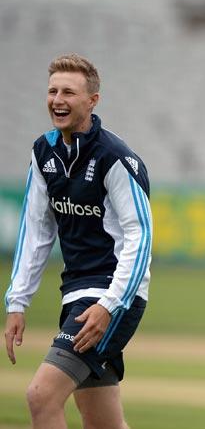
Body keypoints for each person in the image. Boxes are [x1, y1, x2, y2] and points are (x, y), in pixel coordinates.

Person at [3, 53, 152, 429]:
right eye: (52, 91)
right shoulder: (43, 153)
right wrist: (17, 301)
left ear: (92, 101)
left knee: (41, 396)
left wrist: (110, 304)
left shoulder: (114, 157)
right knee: (102, 421)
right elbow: (36, 231)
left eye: (69, 92)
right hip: (75, 294)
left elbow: (140, 235)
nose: (57, 99)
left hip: (110, 297)